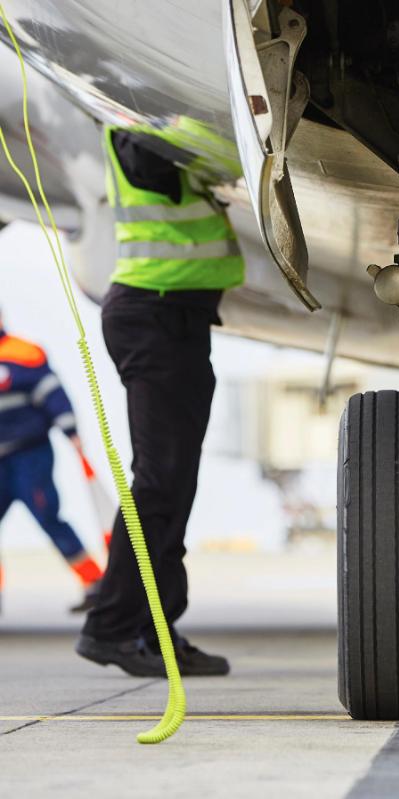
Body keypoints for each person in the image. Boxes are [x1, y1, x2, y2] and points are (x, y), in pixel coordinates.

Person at [76, 124, 245, 677]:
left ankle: (154, 632)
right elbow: (210, 153)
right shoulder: (139, 130)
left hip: (174, 316)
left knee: (172, 485)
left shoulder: (152, 126)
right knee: (159, 482)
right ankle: (111, 628)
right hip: (156, 315)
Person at [0, 311, 103, 612]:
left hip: (29, 455)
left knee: (48, 516)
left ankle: (95, 583)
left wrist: (70, 430)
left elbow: (51, 392)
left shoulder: (23, 353)